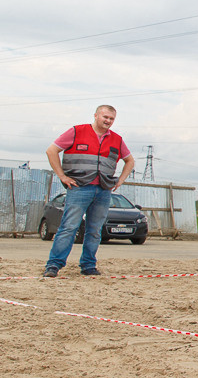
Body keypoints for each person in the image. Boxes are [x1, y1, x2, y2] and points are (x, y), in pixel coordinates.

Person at [42, 105, 136, 277]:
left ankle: (88, 265)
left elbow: (129, 160)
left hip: (103, 189)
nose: (108, 121)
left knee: (94, 230)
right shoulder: (77, 132)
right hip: (79, 188)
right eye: (105, 117)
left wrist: (120, 180)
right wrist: (62, 176)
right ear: (96, 116)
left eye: (111, 119)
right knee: (69, 227)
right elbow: (51, 150)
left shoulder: (117, 139)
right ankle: (54, 265)